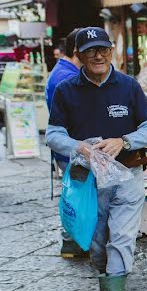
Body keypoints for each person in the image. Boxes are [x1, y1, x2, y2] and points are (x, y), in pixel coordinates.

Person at [46, 27, 147, 291]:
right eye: (91, 50)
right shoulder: (66, 90)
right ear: (79, 55)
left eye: (104, 49)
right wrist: (77, 146)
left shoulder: (129, 86)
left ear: (112, 51)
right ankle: (109, 290)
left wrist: (124, 141)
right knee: (97, 247)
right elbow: (53, 134)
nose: (98, 55)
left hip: (127, 176)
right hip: (89, 183)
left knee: (121, 239)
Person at [46, 29, 84, 257]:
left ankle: (73, 241)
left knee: (75, 194)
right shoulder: (67, 77)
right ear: (78, 51)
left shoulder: (63, 70)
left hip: (68, 146)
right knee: (76, 195)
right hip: (72, 146)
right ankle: (70, 241)